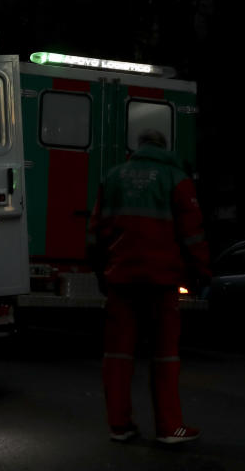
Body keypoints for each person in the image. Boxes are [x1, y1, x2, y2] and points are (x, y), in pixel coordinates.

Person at [88, 129, 210, 445]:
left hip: (121, 280)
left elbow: (95, 232)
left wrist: (101, 272)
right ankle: (169, 427)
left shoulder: (113, 177)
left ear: (138, 148)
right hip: (162, 281)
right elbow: (192, 232)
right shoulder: (176, 178)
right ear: (163, 148)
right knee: (165, 354)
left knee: (117, 354)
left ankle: (120, 425)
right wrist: (200, 273)